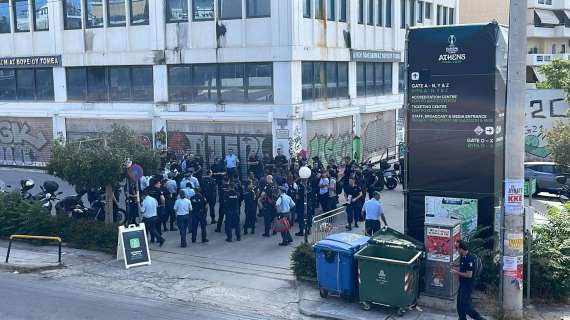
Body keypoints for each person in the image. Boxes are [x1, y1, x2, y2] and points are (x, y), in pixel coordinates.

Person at [452, 241, 486, 320]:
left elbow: (469, 274)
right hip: (462, 284)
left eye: (457, 248)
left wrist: (456, 272)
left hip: (468, 286)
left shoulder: (470, 259)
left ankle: (480, 318)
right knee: (459, 305)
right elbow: (462, 267)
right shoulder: (463, 257)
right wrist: (454, 265)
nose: (456, 250)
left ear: (461, 249)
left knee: (466, 307)